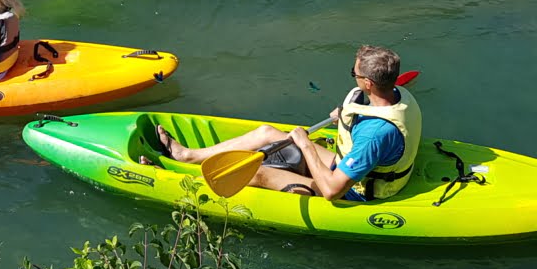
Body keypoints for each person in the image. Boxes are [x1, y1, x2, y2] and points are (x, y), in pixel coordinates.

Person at [152, 45, 421, 202]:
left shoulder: (374, 136)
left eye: (355, 73)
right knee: (267, 133)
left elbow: (331, 191)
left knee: (258, 173)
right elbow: (370, 111)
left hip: (359, 189)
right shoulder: (398, 95)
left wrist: (305, 145)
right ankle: (188, 156)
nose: (353, 76)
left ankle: (180, 180)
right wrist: (348, 112)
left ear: (369, 83)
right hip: (356, 163)